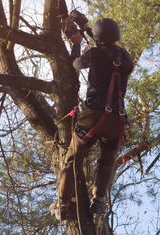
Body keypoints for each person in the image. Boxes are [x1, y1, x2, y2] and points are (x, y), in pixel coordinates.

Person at [56, 17, 133, 220]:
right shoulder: (124, 58)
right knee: (107, 161)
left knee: (72, 161)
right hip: (118, 120)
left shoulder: (94, 54)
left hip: (93, 116)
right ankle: (98, 201)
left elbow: (77, 63)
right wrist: (89, 30)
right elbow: (109, 49)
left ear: (98, 39)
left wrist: (76, 44)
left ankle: (62, 204)